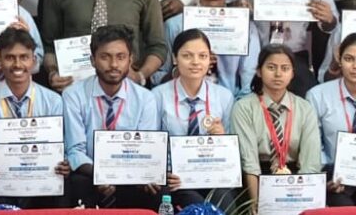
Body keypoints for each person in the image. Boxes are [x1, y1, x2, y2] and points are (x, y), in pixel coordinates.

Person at [0, 27, 69, 208]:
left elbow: (60, 145)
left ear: (34, 60)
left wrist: (63, 162)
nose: (17, 64)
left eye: (24, 57)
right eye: (10, 57)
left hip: (43, 180)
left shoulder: (53, 100)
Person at [63, 24, 159, 209]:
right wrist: (101, 174)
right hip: (90, 174)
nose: (114, 64)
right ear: (92, 60)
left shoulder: (145, 98)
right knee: (76, 182)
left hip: (131, 175)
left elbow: (145, 148)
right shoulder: (73, 95)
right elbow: (75, 151)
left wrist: (142, 174)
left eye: (120, 57)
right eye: (105, 57)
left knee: (156, 189)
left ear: (130, 60)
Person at [155, 0, 260, 98]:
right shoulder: (175, 25)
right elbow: (158, 77)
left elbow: (248, 84)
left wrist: (235, 108)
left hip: (230, 104)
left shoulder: (246, 27)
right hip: (181, 103)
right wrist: (178, 72)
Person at [151, 29, 235, 210]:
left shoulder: (224, 96)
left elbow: (231, 152)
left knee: (225, 199)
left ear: (210, 59)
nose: (195, 62)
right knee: (194, 202)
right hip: (174, 178)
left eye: (202, 56)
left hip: (211, 174)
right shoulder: (158, 96)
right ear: (175, 59)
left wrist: (221, 138)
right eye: (187, 56)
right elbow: (152, 144)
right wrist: (165, 171)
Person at [231, 44, 321, 210]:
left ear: (292, 73)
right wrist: (257, 204)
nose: (278, 74)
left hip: (295, 179)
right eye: (271, 67)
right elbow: (249, 162)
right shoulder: (243, 107)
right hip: (256, 178)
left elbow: (310, 163)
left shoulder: (304, 108)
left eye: (285, 68)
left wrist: (303, 202)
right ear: (259, 71)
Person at [307, 33, 356, 206]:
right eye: (349, 59)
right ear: (339, 59)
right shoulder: (318, 95)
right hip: (335, 178)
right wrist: (326, 174)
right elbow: (313, 145)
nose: (355, 66)